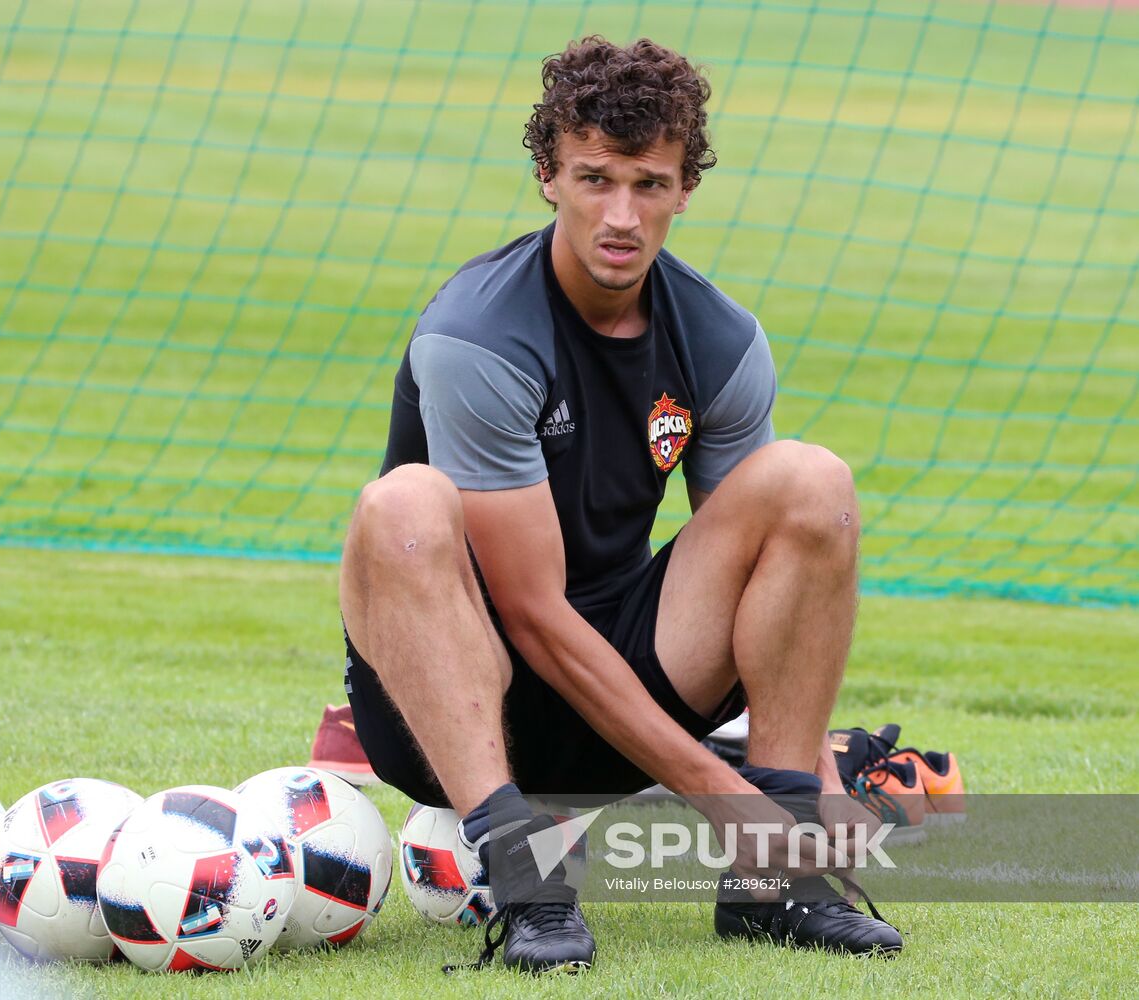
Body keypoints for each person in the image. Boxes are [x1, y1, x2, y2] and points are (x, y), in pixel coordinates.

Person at [337, 36, 902, 972]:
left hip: (623, 689)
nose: (620, 216)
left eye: (648, 184)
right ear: (548, 176)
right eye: (594, 179)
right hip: (451, 711)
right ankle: (525, 879)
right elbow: (530, 613)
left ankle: (775, 883)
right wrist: (715, 791)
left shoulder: (719, 339)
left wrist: (797, 789)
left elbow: (770, 584)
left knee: (811, 481)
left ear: (685, 189)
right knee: (402, 504)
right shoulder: (478, 336)